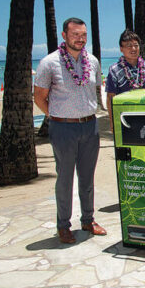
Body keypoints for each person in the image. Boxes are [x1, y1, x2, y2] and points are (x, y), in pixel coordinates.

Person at [33, 17, 107, 244]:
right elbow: (39, 97)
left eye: (83, 35)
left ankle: (88, 219)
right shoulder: (49, 62)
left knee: (87, 177)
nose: (80, 39)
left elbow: (95, 90)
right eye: (75, 34)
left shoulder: (92, 61)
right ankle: (63, 226)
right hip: (62, 127)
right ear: (64, 36)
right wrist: (56, 115)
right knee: (64, 179)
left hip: (89, 125)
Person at [105, 30, 145, 131]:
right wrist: (112, 121)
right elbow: (110, 97)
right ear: (121, 49)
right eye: (128, 45)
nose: (133, 48)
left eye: (136, 45)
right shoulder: (115, 70)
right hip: (124, 118)